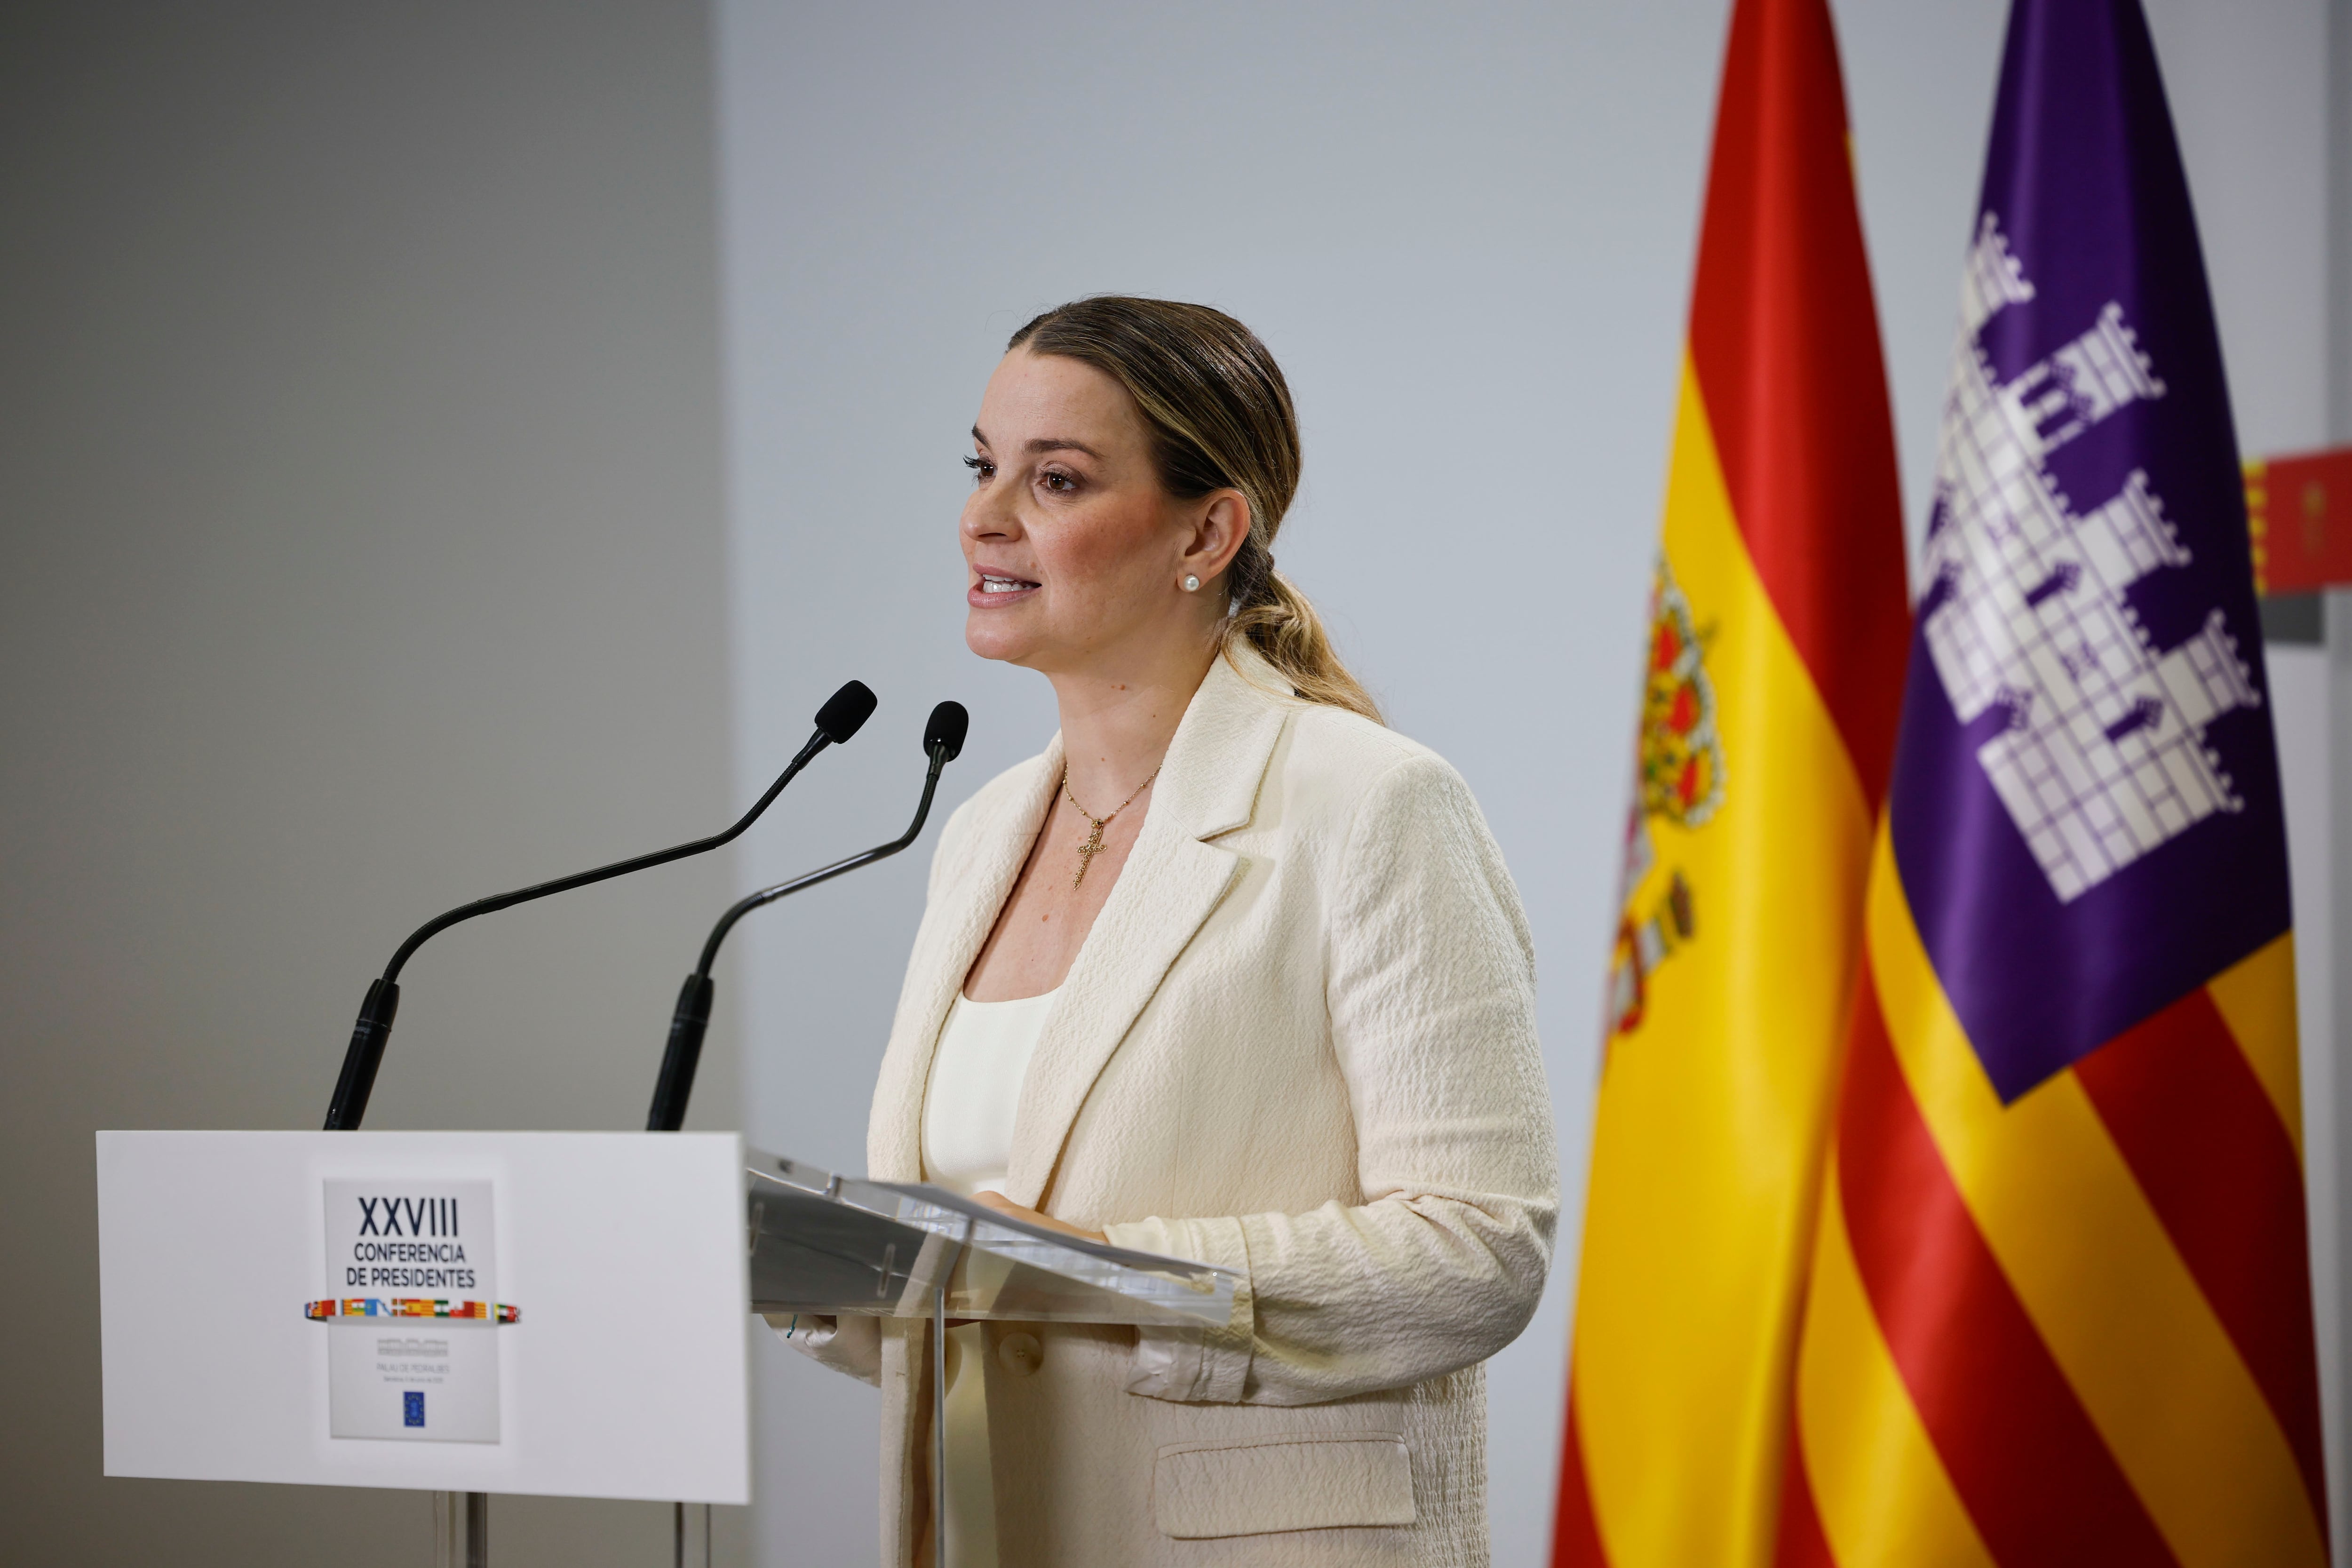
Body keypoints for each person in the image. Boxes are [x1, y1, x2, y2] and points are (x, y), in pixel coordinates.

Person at [789, 296, 1557, 1567]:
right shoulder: (981, 833)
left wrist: (1103, 1267)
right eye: (984, 467)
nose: (985, 517)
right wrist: (823, 1269)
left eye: (1056, 480)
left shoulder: (1371, 806)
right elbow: (987, 1286)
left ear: (1207, 529)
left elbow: (1480, 1250)